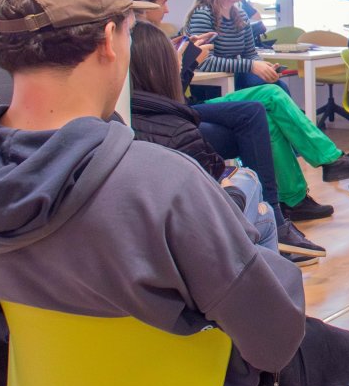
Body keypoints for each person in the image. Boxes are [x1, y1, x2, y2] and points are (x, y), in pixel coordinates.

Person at [0, 0, 349, 386]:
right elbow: (274, 341)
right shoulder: (162, 185)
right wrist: (246, 227)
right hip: (197, 385)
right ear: (108, 40)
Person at [133, 0, 349, 222]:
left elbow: (249, 51)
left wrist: (259, 64)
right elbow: (198, 69)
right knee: (271, 95)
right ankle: (330, 160)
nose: (168, 9)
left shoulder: (237, 15)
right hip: (201, 96)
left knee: (270, 112)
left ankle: (293, 198)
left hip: (196, 97)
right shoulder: (181, 24)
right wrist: (204, 61)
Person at [127, 21, 325, 264]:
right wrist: (188, 62)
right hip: (177, 109)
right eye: (164, 1)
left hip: (176, 107)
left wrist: (187, 61)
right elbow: (170, 97)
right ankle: (280, 210)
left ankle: (288, 202)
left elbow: (168, 95)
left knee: (264, 103)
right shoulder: (150, 38)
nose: (167, 9)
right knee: (260, 110)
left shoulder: (147, 37)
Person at [185, 0, 284, 92]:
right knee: (273, 90)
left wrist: (264, 68)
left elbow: (250, 54)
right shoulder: (203, 14)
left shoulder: (241, 15)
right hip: (212, 83)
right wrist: (252, 66)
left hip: (234, 77)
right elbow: (204, 62)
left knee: (278, 86)